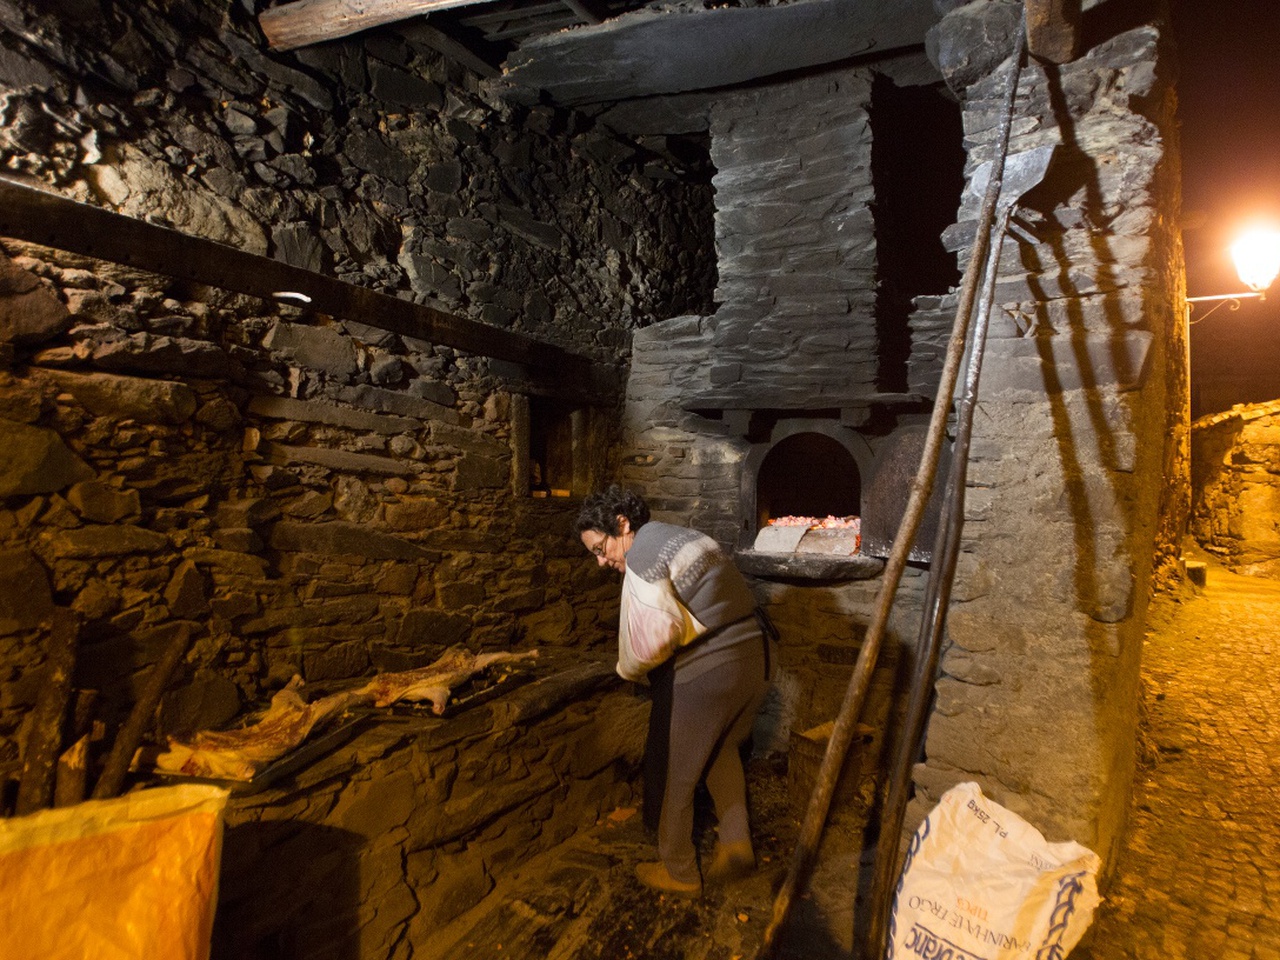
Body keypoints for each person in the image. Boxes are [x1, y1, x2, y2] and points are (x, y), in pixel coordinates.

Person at [575, 485, 774, 898]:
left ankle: (679, 872)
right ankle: (736, 845)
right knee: (721, 751)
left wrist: (627, 670)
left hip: (710, 668)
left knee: (675, 777)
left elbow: (653, 640)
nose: (600, 561)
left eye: (600, 548)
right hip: (756, 655)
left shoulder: (643, 553)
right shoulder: (680, 536)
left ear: (622, 525)